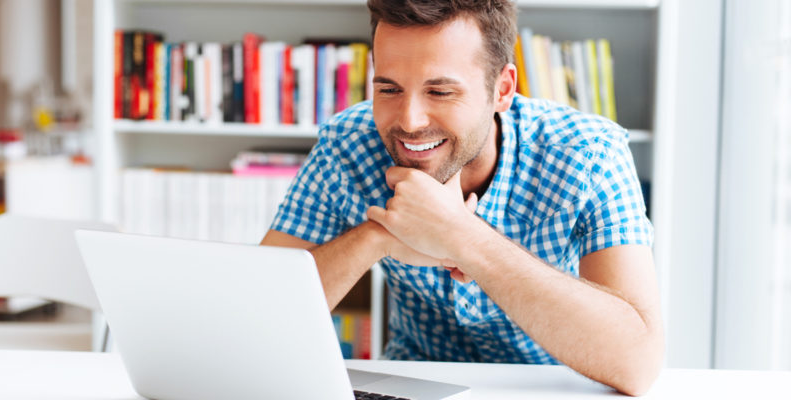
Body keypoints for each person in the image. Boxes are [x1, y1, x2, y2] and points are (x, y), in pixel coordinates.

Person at [261, 0, 663, 395]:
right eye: (389, 88)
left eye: (439, 91)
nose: (409, 120)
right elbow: (258, 318)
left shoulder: (589, 153)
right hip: (412, 383)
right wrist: (377, 236)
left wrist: (461, 236)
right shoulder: (349, 144)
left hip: (556, 387)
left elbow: (636, 364)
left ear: (502, 89)